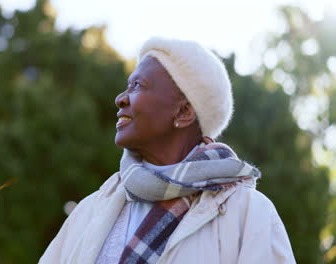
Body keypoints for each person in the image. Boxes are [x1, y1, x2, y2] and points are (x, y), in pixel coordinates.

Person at [39, 37, 296, 264]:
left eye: (138, 85)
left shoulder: (249, 214)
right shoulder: (89, 210)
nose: (120, 98)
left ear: (183, 112)